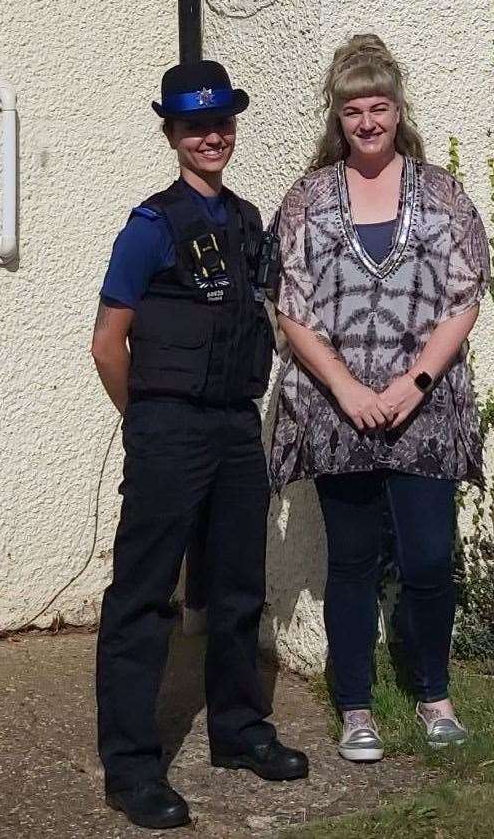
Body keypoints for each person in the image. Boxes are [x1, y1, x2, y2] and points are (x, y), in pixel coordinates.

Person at [91, 61, 308, 831]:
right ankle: (131, 765)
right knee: (144, 598)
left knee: (237, 586)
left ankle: (239, 731)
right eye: (193, 127)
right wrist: (147, 418)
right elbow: (108, 342)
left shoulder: (248, 222)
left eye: (220, 124)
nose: (210, 137)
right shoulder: (149, 225)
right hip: (169, 427)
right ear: (172, 135)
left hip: (232, 428)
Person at [269, 34, 488, 764]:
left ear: (399, 110)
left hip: (425, 410)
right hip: (339, 412)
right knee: (353, 562)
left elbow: (465, 295)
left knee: (428, 559)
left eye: (380, 107)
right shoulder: (307, 198)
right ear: (338, 116)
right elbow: (290, 306)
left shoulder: (443, 192)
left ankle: (434, 693)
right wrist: (347, 388)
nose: (367, 121)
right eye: (354, 109)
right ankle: (356, 705)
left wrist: (412, 382)